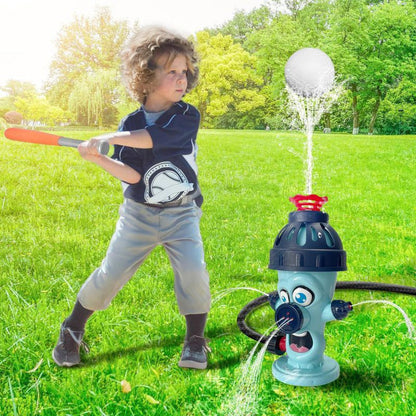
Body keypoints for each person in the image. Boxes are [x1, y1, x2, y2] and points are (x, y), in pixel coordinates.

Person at [52, 26, 211, 370]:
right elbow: (133, 176)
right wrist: (99, 157)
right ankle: (73, 327)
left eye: (184, 71)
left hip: (181, 213)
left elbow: (152, 139)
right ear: (146, 76)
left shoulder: (186, 116)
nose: (182, 79)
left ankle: (196, 340)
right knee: (110, 274)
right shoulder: (130, 122)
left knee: (193, 271)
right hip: (139, 214)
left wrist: (108, 136)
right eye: (171, 72)